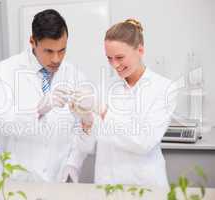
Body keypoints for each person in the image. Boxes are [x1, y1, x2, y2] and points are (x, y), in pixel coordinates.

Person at [0, 9, 89, 183]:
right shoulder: (4, 72)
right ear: (32, 41)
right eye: (49, 51)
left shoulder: (74, 75)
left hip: (58, 178)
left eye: (62, 50)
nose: (56, 59)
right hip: (16, 179)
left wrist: (73, 162)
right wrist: (36, 112)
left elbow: (80, 128)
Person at [70, 19, 177, 187]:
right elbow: (88, 147)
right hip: (107, 185)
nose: (115, 65)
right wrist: (85, 121)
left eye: (120, 57)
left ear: (140, 50)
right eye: (109, 58)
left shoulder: (164, 89)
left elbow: (143, 142)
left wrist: (103, 110)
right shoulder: (105, 87)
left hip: (146, 187)